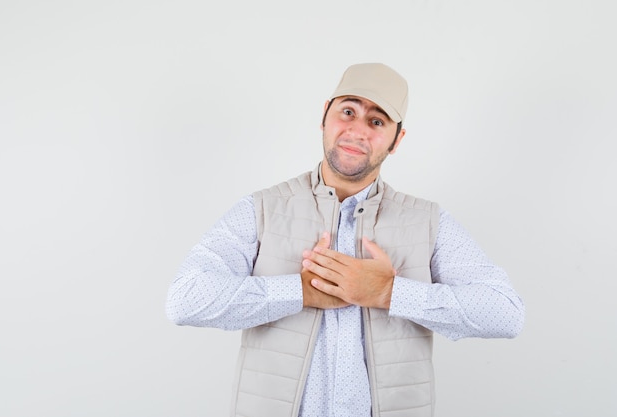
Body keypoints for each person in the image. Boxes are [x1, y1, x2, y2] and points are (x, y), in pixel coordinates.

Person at [166, 62, 525, 417]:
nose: (357, 130)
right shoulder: (261, 210)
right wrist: (300, 291)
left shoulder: (428, 222)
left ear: (397, 139)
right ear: (324, 116)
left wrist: (389, 293)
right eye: (348, 111)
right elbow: (185, 299)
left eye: (377, 121)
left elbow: (505, 312)